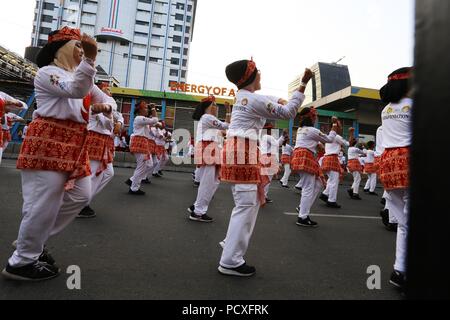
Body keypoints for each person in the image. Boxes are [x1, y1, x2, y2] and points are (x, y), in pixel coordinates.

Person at [2, 27, 116, 281]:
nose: (80, 50)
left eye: (82, 46)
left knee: (80, 194)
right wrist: (90, 59)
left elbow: (107, 101)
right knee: (42, 203)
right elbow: (75, 90)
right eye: (76, 45)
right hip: (49, 139)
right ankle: (21, 260)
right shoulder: (47, 73)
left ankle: (31, 242)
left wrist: (105, 104)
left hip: (74, 143)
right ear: (61, 48)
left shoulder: (82, 76)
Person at [218, 59, 312, 277]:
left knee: (245, 204)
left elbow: (275, 102)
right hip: (243, 150)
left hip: (240, 148)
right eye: (257, 71)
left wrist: (284, 100)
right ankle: (230, 260)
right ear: (249, 75)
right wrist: (303, 85)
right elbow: (288, 113)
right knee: (245, 204)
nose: (260, 73)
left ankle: (231, 246)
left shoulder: (247, 97)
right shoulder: (251, 99)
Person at [379, 67, 413, 289]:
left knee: (403, 222)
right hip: (408, 160)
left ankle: (400, 269)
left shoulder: (386, 110)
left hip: (389, 164)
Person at [77, 85, 122, 218]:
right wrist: (108, 113)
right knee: (91, 175)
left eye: (109, 91)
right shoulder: (89, 104)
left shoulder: (109, 104)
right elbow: (105, 121)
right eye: (106, 90)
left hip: (104, 141)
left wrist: (113, 117)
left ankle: (83, 201)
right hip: (93, 138)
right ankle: (80, 204)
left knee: (108, 173)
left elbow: (110, 125)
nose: (108, 92)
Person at [291, 109, 338, 227]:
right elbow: (330, 139)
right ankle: (302, 217)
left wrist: (318, 144)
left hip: (301, 156)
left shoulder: (301, 130)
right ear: (311, 118)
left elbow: (310, 141)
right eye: (314, 117)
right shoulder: (312, 130)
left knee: (318, 183)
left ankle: (303, 209)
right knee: (308, 188)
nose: (315, 119)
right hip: (306, 157)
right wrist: (334, 125)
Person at [187, 96, 231, 222]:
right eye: (214, 104)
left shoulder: (208, 119)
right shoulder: (207, 117)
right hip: (208, 148)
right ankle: (198, 212)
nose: (216, 107)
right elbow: (226, 125)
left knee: (214, 181)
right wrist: (228, 110)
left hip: (210, 148)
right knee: (208, 181)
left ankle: (197, 207)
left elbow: (224, 129)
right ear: (208, 107)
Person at [125, 101, 159, 195]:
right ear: (140, 110)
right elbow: (155, 120)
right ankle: (134, 188)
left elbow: (153, 123)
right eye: (145, 108)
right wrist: (153, 109)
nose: (146, 110)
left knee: (149, 164)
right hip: (140, 142)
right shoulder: (139, 118)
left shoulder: (142, 119)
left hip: (143, 142)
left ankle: (132, 180)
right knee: (141, 166)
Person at [319, 119, 353, 208]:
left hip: (327, 158)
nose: (341, 127)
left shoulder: (329, 135)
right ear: (336, 127)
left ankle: (325, 194)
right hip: (332, 158)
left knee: (331, 179)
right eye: (339, 125)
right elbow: (348, 143)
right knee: (334, 181)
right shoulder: (337, 137)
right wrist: (351, 133)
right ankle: (331, 200)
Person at [259, 122, 286, 203]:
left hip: (264, 157)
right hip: (269, 158)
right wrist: (283, 135)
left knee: (265, 178)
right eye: (271, 129)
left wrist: (282, 137)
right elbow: (277, 144)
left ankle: (261, 195)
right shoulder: (268, 136)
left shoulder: (263, 136)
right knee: (268, 179)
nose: (272, 130)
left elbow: (277, 144)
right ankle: (263, 196)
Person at [0, 92, 28, 164]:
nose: (10, 108)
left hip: (5, 130)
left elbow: (24, 106)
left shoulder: (11, 114)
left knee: (4, 145)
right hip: (2, 130)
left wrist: (13, 102)